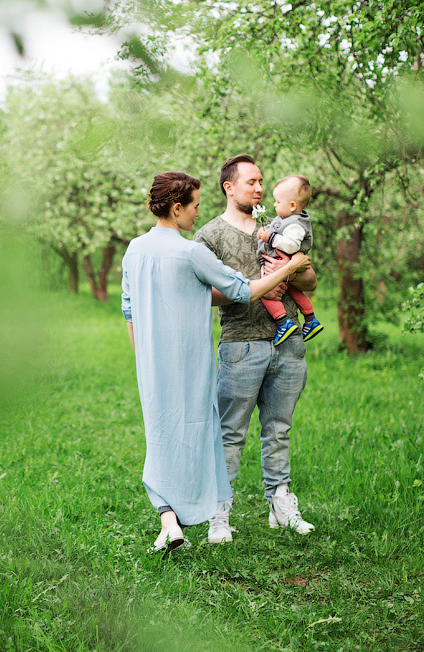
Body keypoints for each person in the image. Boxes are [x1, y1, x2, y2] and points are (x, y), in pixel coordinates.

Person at [121, 171, 311, 552]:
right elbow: (240, 290)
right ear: (176, 209)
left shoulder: (134, 249)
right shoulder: (191, 250)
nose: (196, 215)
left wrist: (142, 358)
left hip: (149, 365)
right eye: (193, 207)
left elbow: (128, 310)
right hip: (190, 362)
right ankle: (200, 512)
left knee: (160, 440)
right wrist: (290, 267)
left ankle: (170, 521)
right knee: (198, 435)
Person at [193, 155, 318, 544]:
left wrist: (295, 266)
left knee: (279, 430)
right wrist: (260, 282)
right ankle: (219, 513)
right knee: (230, 433)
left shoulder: (278, 226)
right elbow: (207, 295)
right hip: (241, 345)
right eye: (251, 182)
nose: (259, 188)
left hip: (289, 342)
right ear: (229, 187)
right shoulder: (209, 236)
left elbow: (310, 279)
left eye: (262, 181)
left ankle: (280, 504)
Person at [255, 175, 324, 345]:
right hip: (286, 265)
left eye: (278, 202)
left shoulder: (295, 224)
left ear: (292, 205)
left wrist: (269, 237)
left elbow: (292, 245)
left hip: (279, 263)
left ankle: (283, 322)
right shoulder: (288, 219)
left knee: (265, 293)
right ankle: (310, 319)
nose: (274, 205)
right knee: (294, 291)